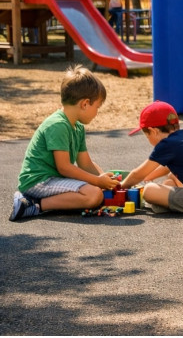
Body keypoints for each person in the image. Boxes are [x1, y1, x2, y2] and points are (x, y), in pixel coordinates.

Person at [10, 65, 119, 221]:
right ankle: (33, 204)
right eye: (97, 107)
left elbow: (85, 163)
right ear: (85, 103)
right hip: (38, 181)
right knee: (93, 194)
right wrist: (97, 182)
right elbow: (64, 167)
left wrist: (103, 179)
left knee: (96, 190)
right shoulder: (58, 125)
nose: (97, 112)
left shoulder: (77, 127)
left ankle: (33, 202)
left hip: (53, 179)